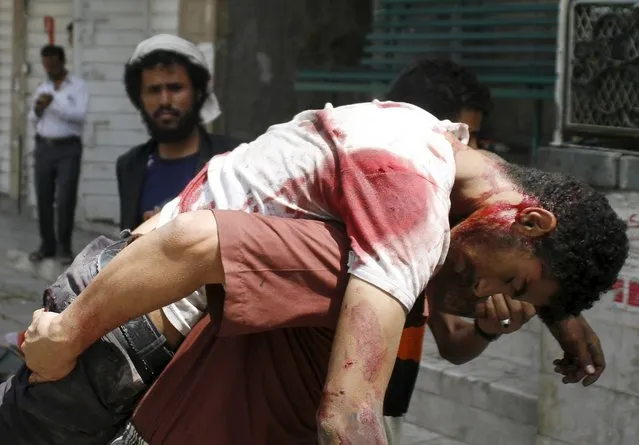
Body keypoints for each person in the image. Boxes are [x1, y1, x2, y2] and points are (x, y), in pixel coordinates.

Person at [21, 81, 628, 445]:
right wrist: (68, 335)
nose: (489, 289)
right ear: (530, 221)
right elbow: (348, 415)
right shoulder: (409, 203)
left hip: (125, 310)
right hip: (119, 338)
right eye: (513, 281)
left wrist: (556, 310)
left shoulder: (430, 140)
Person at [116, 42, 240, 230]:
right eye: (154, 90)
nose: (164, 101)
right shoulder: (130, 165)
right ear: (140, 99)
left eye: (175, 88)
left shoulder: (232, 159)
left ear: (197, 93)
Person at [28, 44, 89, 266]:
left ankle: (64, 247)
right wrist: (38, 108)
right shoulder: (42, 86)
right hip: (44, 146)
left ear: (62, 62)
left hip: (68, 148)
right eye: (46, 64)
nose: (49, 68)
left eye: (53, 64)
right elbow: (33, 119)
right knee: (43, 197)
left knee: (65, 199)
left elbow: (79, 116)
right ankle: (47, 246)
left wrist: (54, 103)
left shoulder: (77, 86)